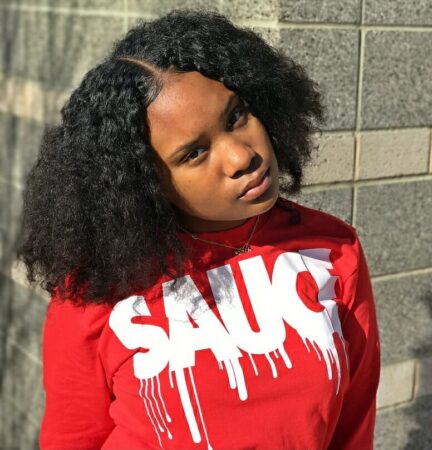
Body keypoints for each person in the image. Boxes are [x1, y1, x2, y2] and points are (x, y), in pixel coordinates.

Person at [16, 9, 380, 450]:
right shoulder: (97, 287)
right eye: (194, 153)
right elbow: (73, 439)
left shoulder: (331, 249)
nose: (241, 156)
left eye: (236, 116)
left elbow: (353, 425)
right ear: (145, 183)